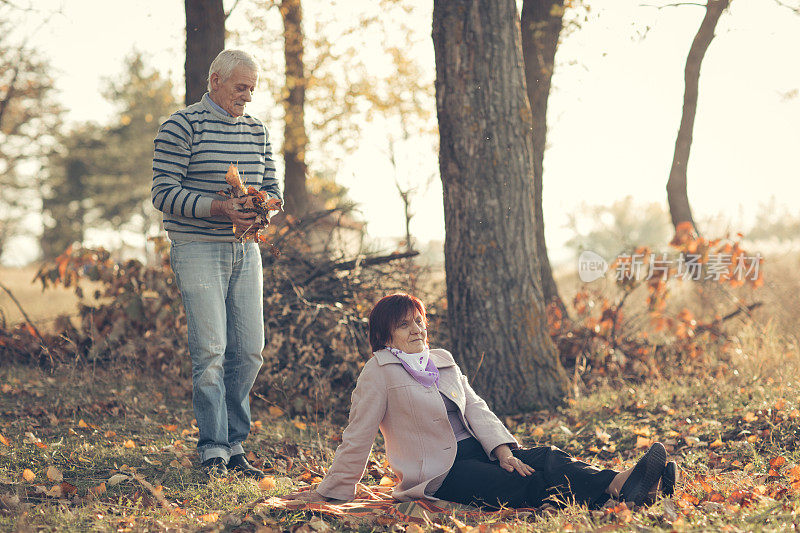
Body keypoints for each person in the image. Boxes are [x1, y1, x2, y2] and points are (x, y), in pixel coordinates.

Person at [288, 293, 678, 509]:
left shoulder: (441, 360)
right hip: (440, 473)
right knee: (518, 487)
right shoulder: (378, 372)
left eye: (419, 320)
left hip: (481, 450)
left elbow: (476, 408)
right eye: (404, 324)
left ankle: (624, 484)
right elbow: (358, 435)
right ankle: (629, 491)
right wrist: (334, 489)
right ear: (385, 336)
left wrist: (505, 450)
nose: (417, 329)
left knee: (547, 458)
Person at [151, 49, 282, 479]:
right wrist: (220, 208)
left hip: (247, 249)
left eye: (252, 88)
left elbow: (275, 189)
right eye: (241, 87)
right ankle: (213, 446)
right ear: (214, 81)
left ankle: (236, 441)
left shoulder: (258, 131)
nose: (248, 95)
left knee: (249, 350)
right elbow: (163, 194)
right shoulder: (181, 125)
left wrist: (264, 206)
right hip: (197, 248)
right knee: (210, 351)